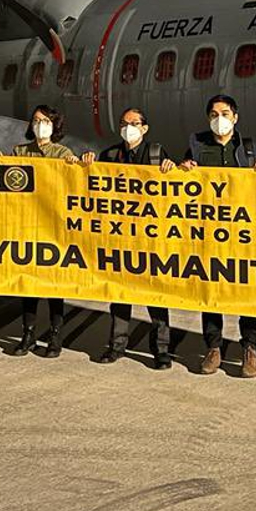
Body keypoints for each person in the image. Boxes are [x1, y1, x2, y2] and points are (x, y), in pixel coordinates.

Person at [179, 95, 256, 378]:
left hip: (243, 233)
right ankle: (214, 347)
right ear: (208, 118)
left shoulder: (252, 150)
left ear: (236, 117)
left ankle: (250, 348)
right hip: (209, 231)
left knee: (246, 289)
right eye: (215, 113)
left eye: (226, 113)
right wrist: (184, 169)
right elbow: (182, 184)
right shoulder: (197, 146)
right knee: (211, 290)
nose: (220, 118)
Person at [83, 107, 177, 370]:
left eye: (135, 123)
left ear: (145, 128)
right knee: (120, 294)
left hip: (150, 236)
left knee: (155, 295)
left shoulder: (157, 154)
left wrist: (172, 169)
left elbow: (173, 188)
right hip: (120, 235)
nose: (129, 128)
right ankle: (117, 346)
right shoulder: (110, 155)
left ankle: (161, 350)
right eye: (125, 123)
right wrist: (88, 165)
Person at [0, 105, 79, 358]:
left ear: (54, 125)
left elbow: (73, 186)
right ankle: (28, 335)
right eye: (37, 120)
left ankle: (54, 337)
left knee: (52, 288)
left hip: (53, 228)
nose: (40, 124)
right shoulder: (19, 152)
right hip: (27, 227)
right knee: (28, 286)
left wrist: (74, 165)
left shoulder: (62, 153)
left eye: (46, 120)